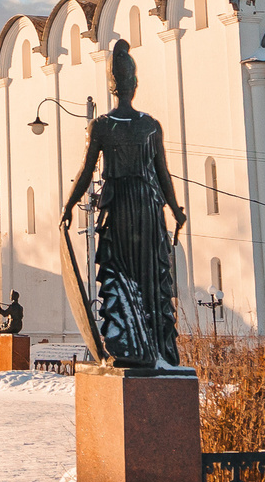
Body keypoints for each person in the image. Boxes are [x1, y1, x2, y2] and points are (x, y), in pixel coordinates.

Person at [60, 40, 188, 368]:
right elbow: (163, 174)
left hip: (118, 210)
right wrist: (174, 209)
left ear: (112, 87)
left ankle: (130, 344)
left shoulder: (102, 125)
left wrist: (69, 205)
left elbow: (86, 171)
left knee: (119, 273)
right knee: (149, 277)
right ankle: (155, 347)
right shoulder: (150, 125)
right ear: (135, 84)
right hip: (147, 209)